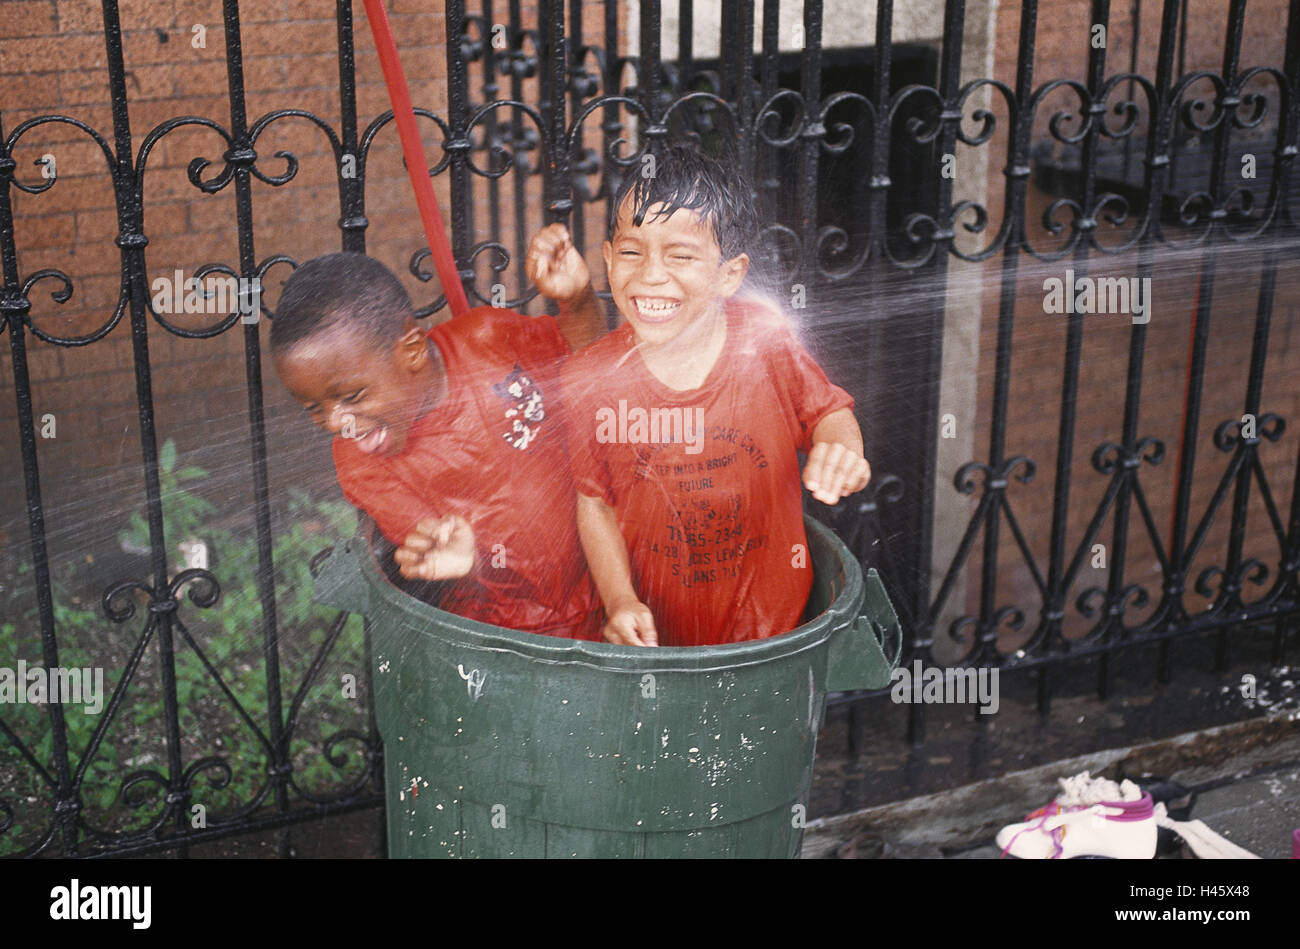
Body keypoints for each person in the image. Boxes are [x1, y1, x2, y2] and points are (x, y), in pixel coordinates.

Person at [561, 146, 871, 647]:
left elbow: (829, 412)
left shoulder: (764, 343)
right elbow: (593, 503)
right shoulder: (590, 377)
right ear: (608, 257)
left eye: (680, 255)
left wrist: (843, 452)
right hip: (655, 642)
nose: (650, 275)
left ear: (730, 273)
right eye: (632, 251)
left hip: (773, 637)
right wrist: (619, 600)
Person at [270, 227, 605, 640]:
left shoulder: (491, 340)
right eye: (314, 409)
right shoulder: (360, 463)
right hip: (498, 635)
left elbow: (589, 368)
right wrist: (459, 560)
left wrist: (578, 300)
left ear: (411, 352)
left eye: (352, 396)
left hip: (610, 594)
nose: (337, 422)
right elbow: (435, 547)